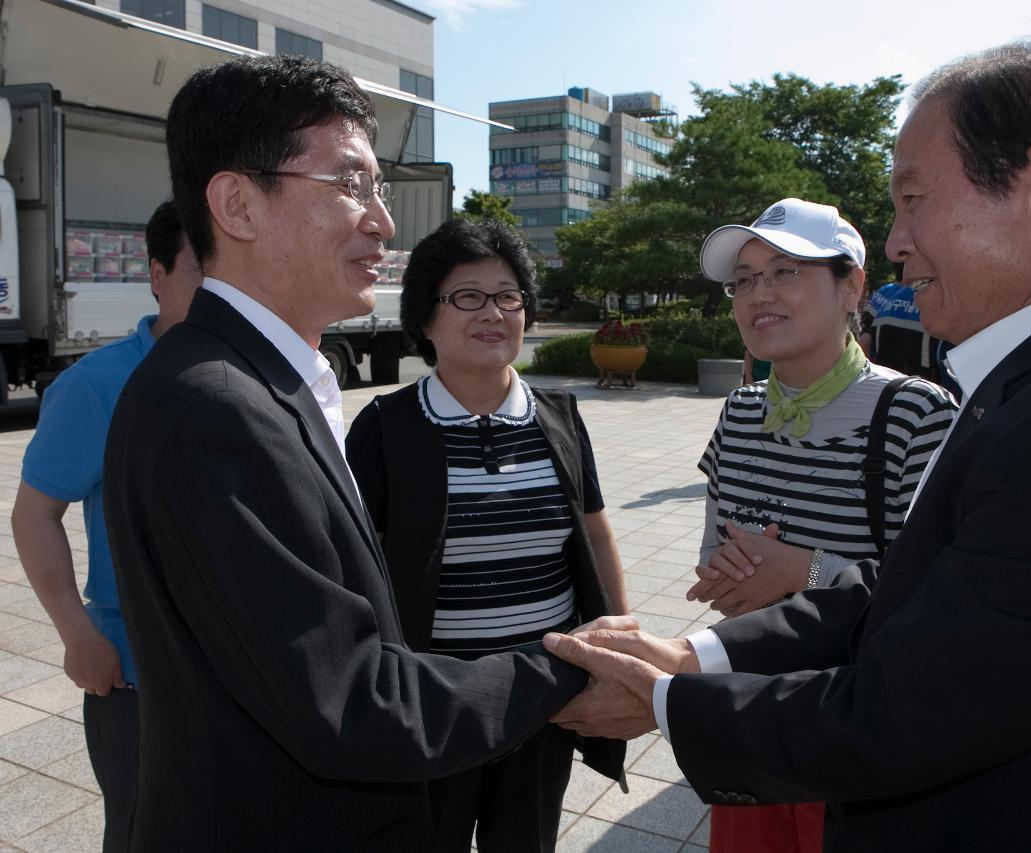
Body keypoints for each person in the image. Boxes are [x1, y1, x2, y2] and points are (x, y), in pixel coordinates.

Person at [541, 38, 1031, 852]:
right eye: (744, 277)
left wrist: (664, 699)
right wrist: (694, 652)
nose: (894, 241)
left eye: (913, 198)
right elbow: (921, 591)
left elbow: (907, 711)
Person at [100, 55, 597, 850]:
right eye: (351, 185)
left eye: (380, 190)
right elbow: (351, 700)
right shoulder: (213, 407)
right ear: (237, 203)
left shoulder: (263, 383)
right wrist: (575, 670)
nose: (383, 221)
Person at [345, 217, 628, 852]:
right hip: (435, 696)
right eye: (466, 296)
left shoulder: (559, 417)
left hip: (542, 693)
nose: (492, 312)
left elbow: (594, 531)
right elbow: (356, 564)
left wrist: (618, 647)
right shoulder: (387, 427)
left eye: (508, 295)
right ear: (425, 318)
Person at [690, 197, 956, 851]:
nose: (759, 294)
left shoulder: (915, 415)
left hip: (856, 729)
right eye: (744, 279)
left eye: (785, 271)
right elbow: (716, 568)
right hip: (752, 711)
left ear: (852, 287)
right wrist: (735, 576)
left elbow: (939, 598)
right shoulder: (740, 411)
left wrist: (803, 571)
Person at [10, 200, 202, 853]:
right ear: (156, 272)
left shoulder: (260, 373)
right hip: (138, 677)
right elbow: (35, 513)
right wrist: (79, 634)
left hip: (242, 670)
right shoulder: (100, 384)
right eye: (202, 273)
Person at [860, 280, 938, 380]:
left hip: (882, 383)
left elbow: (864, 341)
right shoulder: (935, 298)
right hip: (925, 386)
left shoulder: (888, 294)